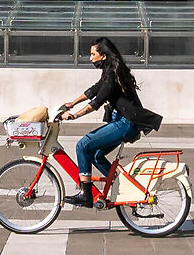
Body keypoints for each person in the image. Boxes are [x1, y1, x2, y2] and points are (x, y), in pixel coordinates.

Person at [55, 37, 155, 205]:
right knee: (96, 155)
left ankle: (86, 195)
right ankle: (121, 185)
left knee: (82, 145)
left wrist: (74, 116)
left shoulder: (112, 74)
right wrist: (72, 103)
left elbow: (97, 101)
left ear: (103, 55)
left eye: (93, 54)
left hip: (126, 123)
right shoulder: (109, 71)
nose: (90, 57)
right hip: (123, 121)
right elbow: (94, 90)